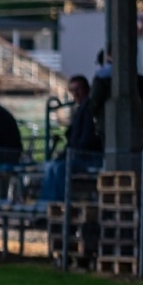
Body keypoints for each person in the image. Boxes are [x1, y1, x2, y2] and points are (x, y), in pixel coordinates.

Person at [42, 75, 98, 204]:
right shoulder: (80, 110)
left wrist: (73, 151)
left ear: (86, 89)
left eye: (78, 89)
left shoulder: (89, 109)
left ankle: (59, 205)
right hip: (77, 155)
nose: (76, 94)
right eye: (73, 90)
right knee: (52, 166)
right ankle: (46, 204)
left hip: (88, 157)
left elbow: (86, 139)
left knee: (59, 168)